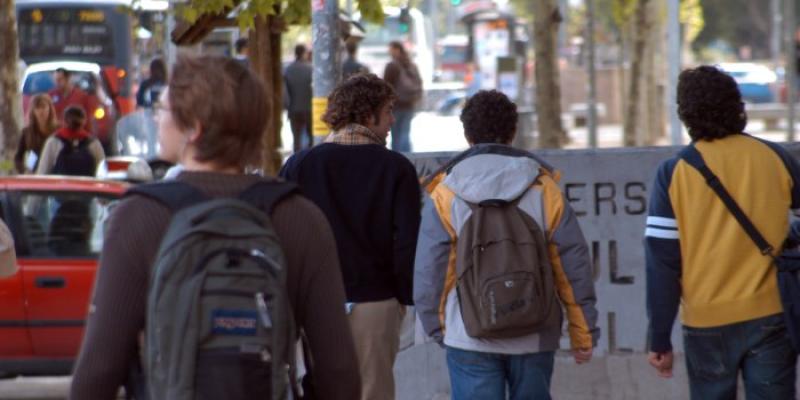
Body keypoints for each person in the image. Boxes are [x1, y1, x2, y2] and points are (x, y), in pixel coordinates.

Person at [69, 54, 360, 400]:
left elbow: (98, 371)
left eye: (163, 110)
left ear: (194, 128)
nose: (158, 120)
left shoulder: (139, 216)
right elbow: (339, 371)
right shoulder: (300, 217)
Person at [415, 90, 598, 400]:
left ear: (467, 135)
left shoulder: (447, 193)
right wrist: (583, 332)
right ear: (514, 132)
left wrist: (439, 328)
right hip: (534, 334)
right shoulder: (544, 188)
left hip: (469, 336)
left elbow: (432, 271)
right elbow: (571, 266)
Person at [645, 65, 800, 399]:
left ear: (686, 113)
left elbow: (663, 263)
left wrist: (659, 337)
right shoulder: (775, 158)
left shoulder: (674, 173)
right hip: (771, 314)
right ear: (737, 105)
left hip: (706, 322)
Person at [280, 73, 421, 400]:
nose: (392, 121)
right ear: (368, 114)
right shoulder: (396, 168)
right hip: (376, 301)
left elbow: (284, 237)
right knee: (372, 390)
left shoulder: (299, 166)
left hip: (314, 304)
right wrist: (402, 298)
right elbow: (407, 244)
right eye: (388, 111)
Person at [36, 106, 105, 176]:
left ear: (64, 121)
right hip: (86, 186)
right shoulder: (93, 143)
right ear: (84, 121)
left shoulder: (53, 142)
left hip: (61, 186)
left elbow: (42, 172)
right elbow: (103, 172)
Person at [383, 41, 423, 153]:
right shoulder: (412, 65)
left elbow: (385, 87)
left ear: (397, 49)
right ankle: (408, 157)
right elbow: (419, 83)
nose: (389, 52)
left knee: (396, 135)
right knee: (405, 133)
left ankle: (398, 158)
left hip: (395, 106)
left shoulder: (391, 66)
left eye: (390, 49)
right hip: (410, 104)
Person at [15, 94, 58, 173]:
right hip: (34, 173)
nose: (41, 111)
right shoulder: (27, 132)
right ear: (33, 111)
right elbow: (18, 157)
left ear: (49, 108)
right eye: (37, 108)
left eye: (44, 107)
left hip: (54, 173)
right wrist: (24, 171)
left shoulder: (58, 130)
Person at [284, 44, 313, 153]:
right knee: (311, 138)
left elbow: (285, 92)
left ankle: (297, 162)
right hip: (310, 109)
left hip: (294, 109)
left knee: (296, 139)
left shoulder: (287, 69)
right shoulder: (311, 69)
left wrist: (288, 107)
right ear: (303, 53)